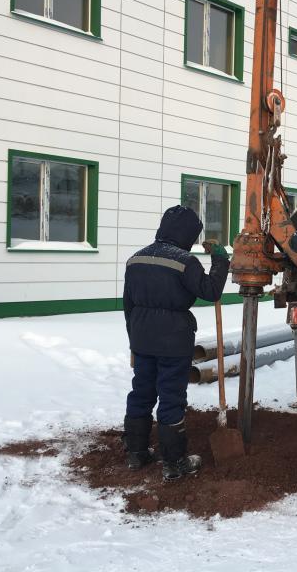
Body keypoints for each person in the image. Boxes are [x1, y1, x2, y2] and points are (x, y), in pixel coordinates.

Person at [122, 205, 230, 481]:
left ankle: (136, 454)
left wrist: (134, 338)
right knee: (171, 396)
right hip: (173, 339)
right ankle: (174, 462)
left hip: (142, 336)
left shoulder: (135, 259)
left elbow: (128, 305)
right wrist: (220, 260)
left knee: (141, 393)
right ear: (187, 235)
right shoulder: (184, 261)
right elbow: (210, 291)